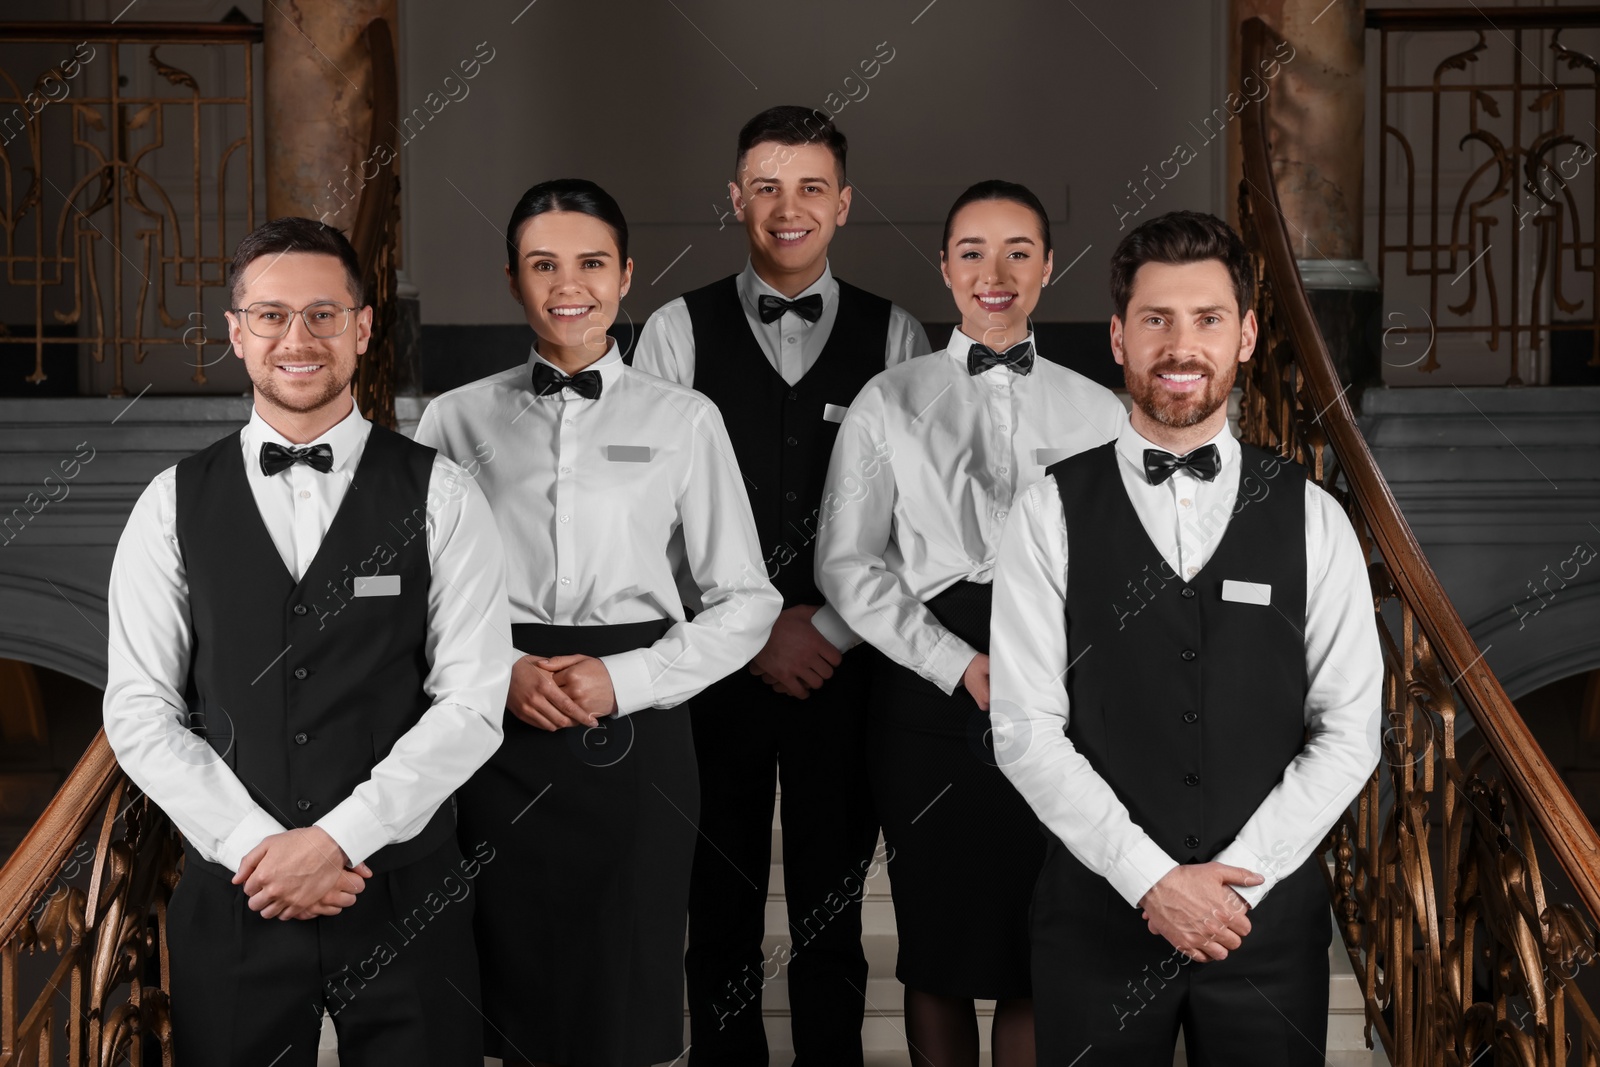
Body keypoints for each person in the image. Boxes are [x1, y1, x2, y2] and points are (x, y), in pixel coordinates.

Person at [103, 217, 511, 1066]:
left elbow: (472, 702)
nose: (299, 339)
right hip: (234, 893)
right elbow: (139, 707)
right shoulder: (168, 503)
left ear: (363, 329)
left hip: (404, 886)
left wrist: (338, 839)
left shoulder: (444, 494)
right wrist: (260, 849)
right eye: (271, 316)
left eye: (324, 315)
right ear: (236, 334)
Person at [989, 209, 1382, 1066]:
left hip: (1265, 929)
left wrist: (1233, 887)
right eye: (1156, 319)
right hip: (1094, 922)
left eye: (1207, 318)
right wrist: (1151, 880)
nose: (1180, 344)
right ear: (1118, 339)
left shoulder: (1315, 517)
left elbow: (1350, 731)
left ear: (1244, 337)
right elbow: (1023, 728)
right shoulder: (1047, 511)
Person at [415, 177, 782, 1067]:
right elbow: (418, 589)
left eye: (589, 263)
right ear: (513, 279)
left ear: (626, 276)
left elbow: (747, 600)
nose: (567, 284)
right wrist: (497, 671)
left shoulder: (685, 418)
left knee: (626, 984)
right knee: (499, 986)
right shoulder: (452, 418)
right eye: (543, 265)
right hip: (488, 723)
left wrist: (625, 679)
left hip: (638, 733)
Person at [634, 105, 928, 1066]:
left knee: (830, 910)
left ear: (844, 203)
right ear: (735, 199)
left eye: (809, 187)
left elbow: (913, 526)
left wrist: (831, 632)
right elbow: (649, 515)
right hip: (710, 668)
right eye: (765, 186)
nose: (786, 207)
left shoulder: (898, 337)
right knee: (712, 903)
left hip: (847, 673)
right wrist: (748, 631)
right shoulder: (677, 330)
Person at [815, 180, 1127, 1067]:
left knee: (1037, 946)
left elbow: (1119, 564)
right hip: (926, 692)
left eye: (1019, 251)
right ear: (944, 267)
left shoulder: (1100, 410)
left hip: (1061, 682)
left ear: (1048, 267)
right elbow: (846, 563)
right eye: (974, 252)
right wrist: (958, 663)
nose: (997, 273)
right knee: (941, 947)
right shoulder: (888, 399)